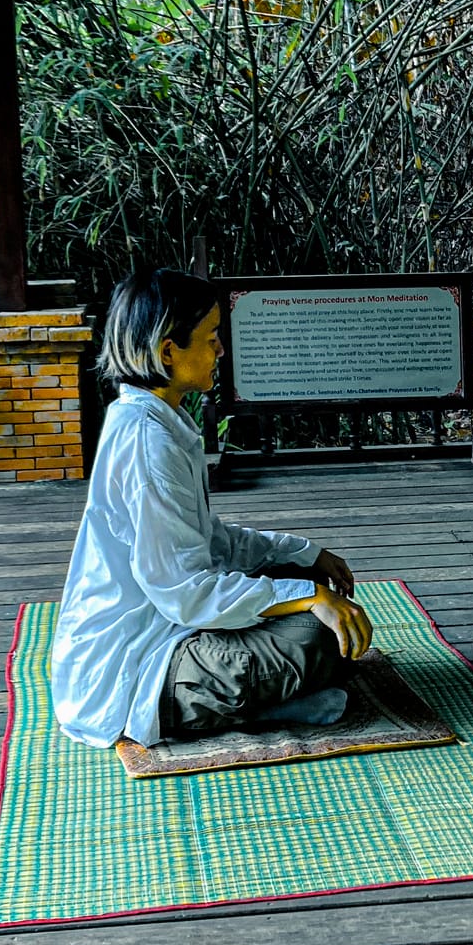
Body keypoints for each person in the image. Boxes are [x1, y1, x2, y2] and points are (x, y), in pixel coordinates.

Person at [52, 267, 374, 748]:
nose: (221, 350)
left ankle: (267, 701)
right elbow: (186, 594)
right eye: (210, 338)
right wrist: (309, 598)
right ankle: (247, 710)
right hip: (138, 668)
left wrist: (305, 557)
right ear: (167, 352)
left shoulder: (158, 418)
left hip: (172, 627)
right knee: (319, 638)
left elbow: (211, 540)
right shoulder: (146, 443)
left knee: (309, 588)